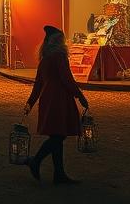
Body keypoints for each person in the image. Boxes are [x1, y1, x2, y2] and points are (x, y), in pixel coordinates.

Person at [23, 25, 89, 185]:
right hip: (59, 99)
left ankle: (58, 173)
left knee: (56, 135)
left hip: (48, 98)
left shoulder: (45, 59)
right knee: (58, 135)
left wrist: (30, 103)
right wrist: (80, 96)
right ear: (59, 41)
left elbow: (38, 84)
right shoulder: (59, 57)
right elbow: (67, 79)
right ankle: (36, 161)